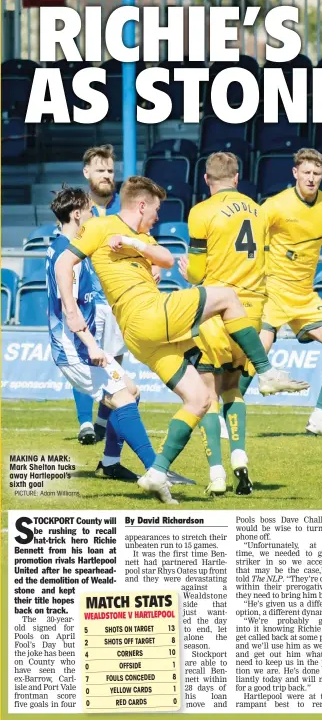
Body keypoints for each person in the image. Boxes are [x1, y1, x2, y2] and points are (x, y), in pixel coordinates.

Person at [54, 176, 284, 504]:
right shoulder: (101, 227)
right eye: (156, 209)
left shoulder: (140, 236)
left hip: (143, 336)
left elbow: (165, 258)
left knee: (200, 398)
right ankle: (265, 372)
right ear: (142, 205)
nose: (158, 217)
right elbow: (65, 263)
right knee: (228, 297)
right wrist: (73, 313)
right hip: (147, 312)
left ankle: (157, 473)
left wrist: (136, 245)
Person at [178, 152, 309, 496]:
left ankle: (217, 474)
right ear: (237, 178)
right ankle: (240, 460)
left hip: (216, 310)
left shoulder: (200, 212)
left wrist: (184, 272)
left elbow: (196, 271)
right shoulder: (259, 211)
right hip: (251, 310)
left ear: (207, 180)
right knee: (232, 389)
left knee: (206, 395)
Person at [46, 185, 184, 503]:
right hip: (75, 348)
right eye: (91, 210)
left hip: (80, 344)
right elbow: (69, 307)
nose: (96, 215)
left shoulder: (61, 246)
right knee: (122, 397)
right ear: (77, 213)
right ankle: (156, 471)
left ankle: (111, 463)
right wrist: (90, 344)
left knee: (131, 392)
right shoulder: (69, 254)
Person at [242, 148, 322, 439]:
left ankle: (319, 417)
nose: (311, 178)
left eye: (316, 173)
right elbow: (249, 242)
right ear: (295, 173)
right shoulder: (275, 206)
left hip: (305, 295)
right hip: (273, 291)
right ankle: (228, 416)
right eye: (306, 172)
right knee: (258, 349)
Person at [73, 144, 126, 445]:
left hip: (118, 299)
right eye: (100, 170)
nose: (106, 175)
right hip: (88, 300)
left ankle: (101, 421)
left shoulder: (124, 206)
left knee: (115, 362)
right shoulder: (77, 209)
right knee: (85, 360)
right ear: (87, 172)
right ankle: (85, 423)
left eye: (110, 171)